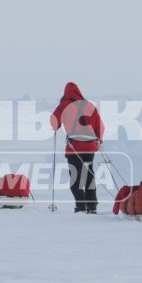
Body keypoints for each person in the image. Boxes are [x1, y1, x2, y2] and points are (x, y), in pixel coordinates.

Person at [48, 82, 105, 213]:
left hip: (74, 147)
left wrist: (56, 126)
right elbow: (100, 126)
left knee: (76, 177)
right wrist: (98, 139)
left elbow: (54, 121)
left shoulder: (65, 105)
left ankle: (81, 206)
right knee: (89, 175)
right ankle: (92, 206)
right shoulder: (89, 105)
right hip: (90, 147)